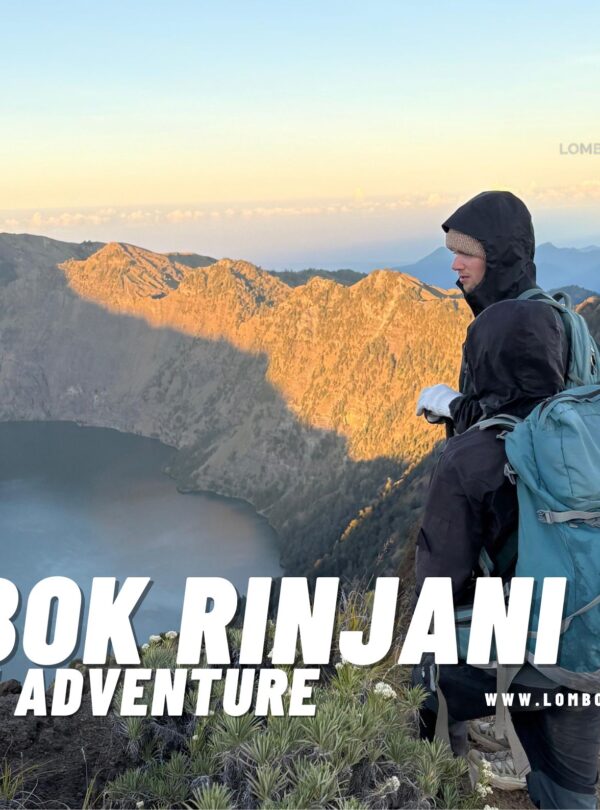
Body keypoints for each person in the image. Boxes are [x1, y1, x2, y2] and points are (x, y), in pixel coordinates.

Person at [414, 298, 600, 809]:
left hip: (524, 653)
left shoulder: (470, 456)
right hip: (591, 644)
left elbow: (439, 579)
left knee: (426, 682)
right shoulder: (589, 435)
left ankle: (445, 782)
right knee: (571, 788)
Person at [416, 190, 567, 434]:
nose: (455, 264)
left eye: (467, 253)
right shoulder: (534, 307)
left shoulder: (518, 323)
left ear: (499, 257)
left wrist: (453, 405)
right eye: (455, 253)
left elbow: (520, 432)